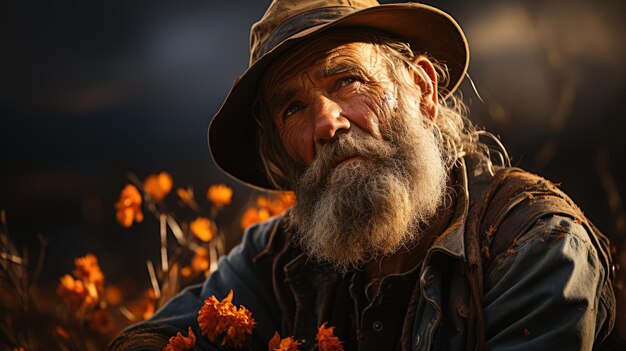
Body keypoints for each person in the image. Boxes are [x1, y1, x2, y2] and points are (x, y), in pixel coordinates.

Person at [108, 0, 616, 350]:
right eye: (293, 108)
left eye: (348, 79)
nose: (327, 122)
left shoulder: (534, 246)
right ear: (284, 152)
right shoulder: (281, 260)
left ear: (422, 89)